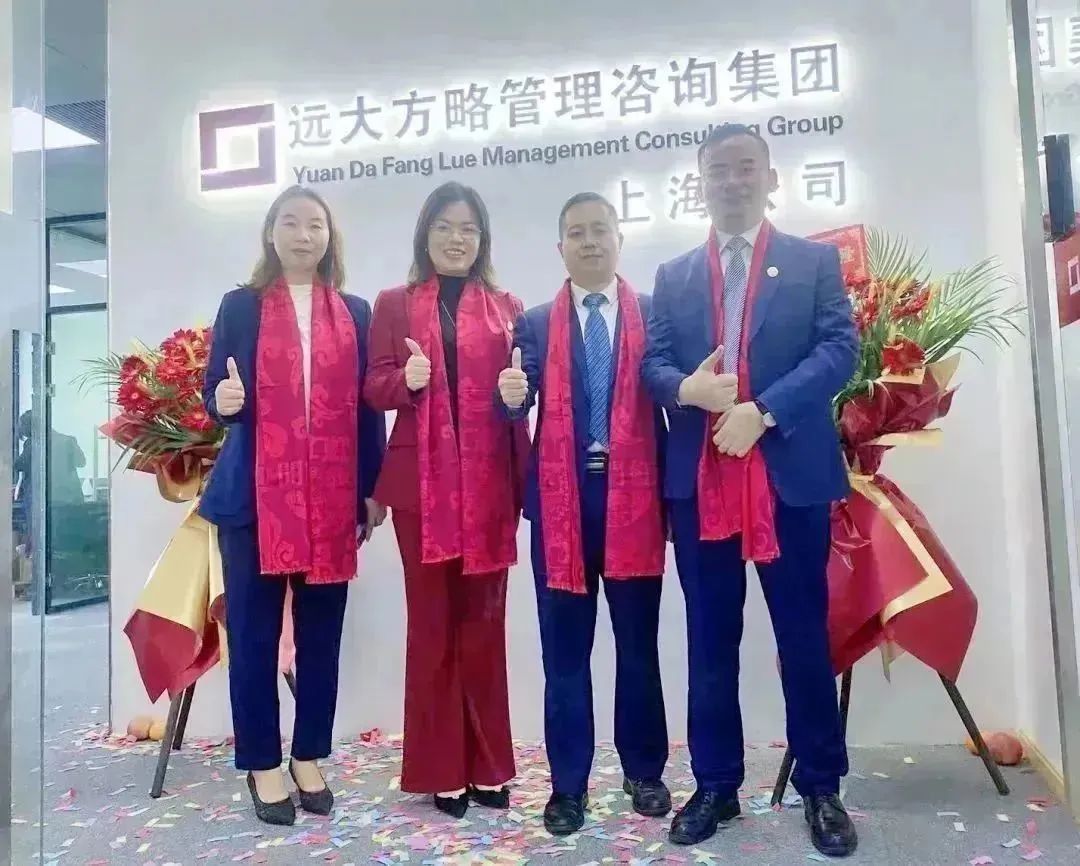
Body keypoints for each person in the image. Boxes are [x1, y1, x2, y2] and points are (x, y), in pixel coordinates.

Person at [641, 123, 859, 858]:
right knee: (710, 640)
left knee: (803, 636)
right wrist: (691, 391)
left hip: (787, 478)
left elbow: (840, 349)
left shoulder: (813, 261)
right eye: (718, 170)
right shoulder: (674, 275)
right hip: (701, 482)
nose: (731, 181)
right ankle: (716, 785)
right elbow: (654, 365)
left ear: (771, 178)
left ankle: (821, 786)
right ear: (700, 183)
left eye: (745, 168)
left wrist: (761, 411)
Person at [200, 185, 387, 827]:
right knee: (253, 639)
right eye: (291, 222)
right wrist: (223, 402)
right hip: (253, 499)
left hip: (331, 499)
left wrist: (372, 488)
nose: (304, 235)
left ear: (329, 236)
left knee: (321, 638)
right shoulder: (241, 306)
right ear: (270, 232)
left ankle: (308, 755)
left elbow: (367, 408)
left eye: (315, 224)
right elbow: (215, 389)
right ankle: (262, 763)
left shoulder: (355, 312)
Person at [498, 192, 669, 836]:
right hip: (562, 504)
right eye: (577, 232)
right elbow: (518, 397)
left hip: (635, 502)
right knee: (564, 654)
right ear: (560, 247)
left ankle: (644, 772)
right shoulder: (537, 322)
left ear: (619, 239)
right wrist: (512, 396)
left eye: (600, 230)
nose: (590, 241)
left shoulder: (652, 314)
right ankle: (567, 786)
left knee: (638, 647)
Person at [365, 181, 528, 819]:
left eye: (468, 228)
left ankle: (488, 765)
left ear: (482, 239)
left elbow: (521, 395)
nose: (456, 239)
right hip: (420, 490)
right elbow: (372, 387)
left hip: (489, 485)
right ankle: (441, 769)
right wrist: (404, 382)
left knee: (484, 625)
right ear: (424, 235)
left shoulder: (508, 306)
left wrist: (518, 394)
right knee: (432, 625)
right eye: (444, 227)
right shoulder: (394, 303)